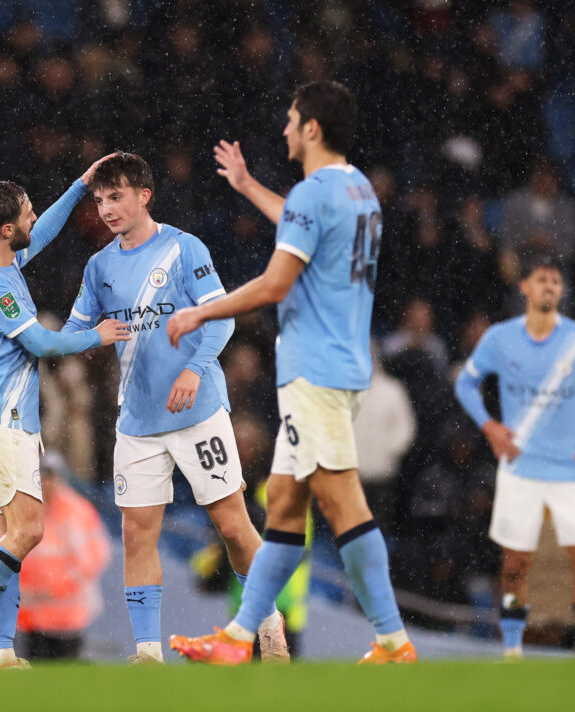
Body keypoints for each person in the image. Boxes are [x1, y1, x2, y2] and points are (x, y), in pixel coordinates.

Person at [167, 80, 417, 664]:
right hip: (345, 364)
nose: (284, 128)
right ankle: (237, 639)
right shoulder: (358, 192)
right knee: (283, 503)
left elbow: (277, 282)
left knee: (343, 502)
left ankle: (393, 639)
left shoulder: (314, 193)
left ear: (312, 128)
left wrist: (202, 310)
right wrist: (249, 184)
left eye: (290, 119)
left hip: (316, 370)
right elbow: (305, 228)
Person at [64, 152, 288, 664]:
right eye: (99, 201)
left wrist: (194, 368)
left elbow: (223, 318)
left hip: (199, 412)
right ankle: (147, 651)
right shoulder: (98, 268)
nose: (106, 209)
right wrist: (71, 340)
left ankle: (269, 623)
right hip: (138, 422)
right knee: (137, 531)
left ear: (145, 195)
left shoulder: (185, 249)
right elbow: (77, 332)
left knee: (232, 525)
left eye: (115, 197)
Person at [0, 157, 130, 670]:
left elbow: (41, 234)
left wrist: (80, 186)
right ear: (5, 229)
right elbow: (43, 342)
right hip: (1, 424)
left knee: (9, 540)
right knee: (29, 532)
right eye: (26, 213)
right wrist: (97, 336)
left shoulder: (1, 263)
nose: (33, 219)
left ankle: (0, 649)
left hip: (0, 420)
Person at [454, 255, 575, 659]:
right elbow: (466, 384)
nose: (550, 286)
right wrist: (489, 426)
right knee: (515, 563)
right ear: (525, 288)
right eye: (541, 279)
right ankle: (514, 651)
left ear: (562, 290)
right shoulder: (500, 339)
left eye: (555, 280)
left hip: (572, 469)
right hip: (521, 469)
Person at [0, 452, 111, 660]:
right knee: (26, 669)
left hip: (66, 616)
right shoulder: (18, 508)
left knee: (62, 671)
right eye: (40, 476)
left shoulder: (76, 512)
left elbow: (94, 557)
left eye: (50, 476)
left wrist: (55, 588)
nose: (45, 482)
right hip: (26, 614)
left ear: (59, 478)